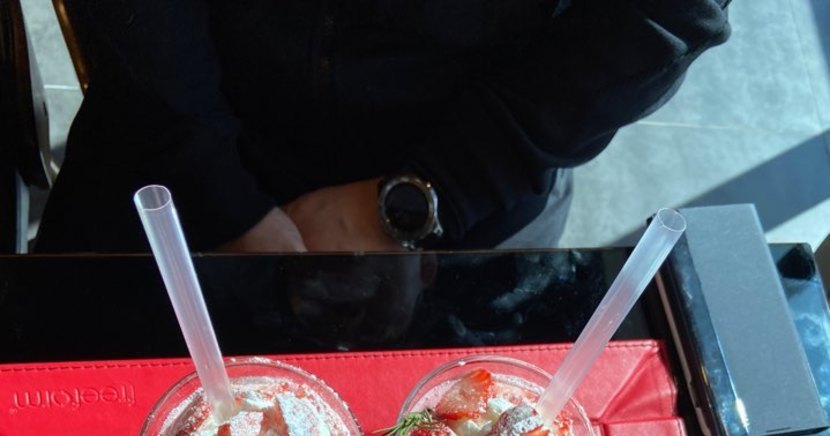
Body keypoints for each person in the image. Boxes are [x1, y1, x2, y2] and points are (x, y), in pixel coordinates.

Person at [35, 1, 731, 255]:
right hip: (173, 125)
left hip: (479, 163)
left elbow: (665, 15)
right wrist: (213, 184)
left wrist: (439, 188)